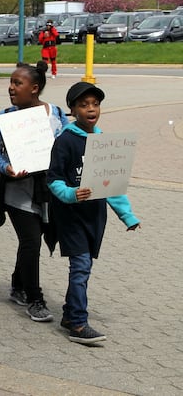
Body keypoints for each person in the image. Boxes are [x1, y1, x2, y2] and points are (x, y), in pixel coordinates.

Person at [47, 82, 141, 345]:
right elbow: (53, 179)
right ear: (73, 109)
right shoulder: (65, 141)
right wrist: (71, 194)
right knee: (81, 267)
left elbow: (113, 185)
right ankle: (78, 324)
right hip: (71, 218)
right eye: (84, 104)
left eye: (95, 104)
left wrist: (128, 216)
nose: (91, 109)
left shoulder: (103, 142)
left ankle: (68, 315)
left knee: (84, 267)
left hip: (95, 218)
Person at [0, 61, 68, 323]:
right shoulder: (5, 116)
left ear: (34, 89)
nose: (11, 87)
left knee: (30, 243)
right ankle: (35, 299)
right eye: (10, 82)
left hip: (48, 193)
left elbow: (67, 144)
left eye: (17, 83)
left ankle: (17, 285)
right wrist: (5, 167)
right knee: (31, 242)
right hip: (17, 193)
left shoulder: (55, 113)